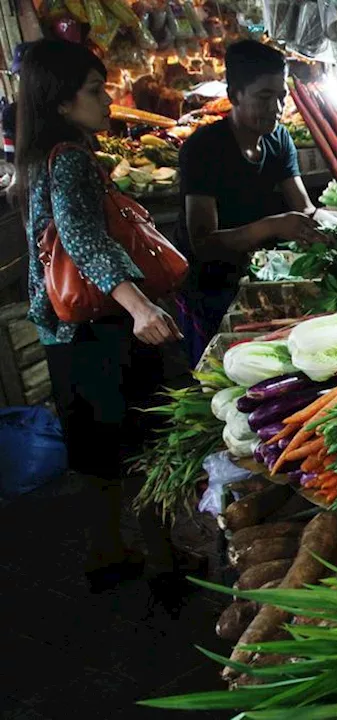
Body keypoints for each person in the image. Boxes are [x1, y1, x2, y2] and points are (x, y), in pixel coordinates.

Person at [16, 39, 184, 591]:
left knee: (95, 450)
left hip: (61, 329)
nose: (108, 99)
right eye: (94, 90)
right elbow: (84, 239)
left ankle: (108, 553)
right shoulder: (69, 160)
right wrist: (139, 307)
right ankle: (164, 560)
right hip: (100, 326)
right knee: (145, 440)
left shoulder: (36, 158)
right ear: (61, 102)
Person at [177, 39, 328, 364]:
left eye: (281, 98)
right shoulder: (204, 149)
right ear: (234, 96)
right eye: (264, 97)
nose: (275, 108)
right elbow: (202, 242)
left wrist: (331, 225)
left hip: (263, 281)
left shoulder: (279, 138)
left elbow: (302, 207)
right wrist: (273, 225)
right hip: (212, 291)